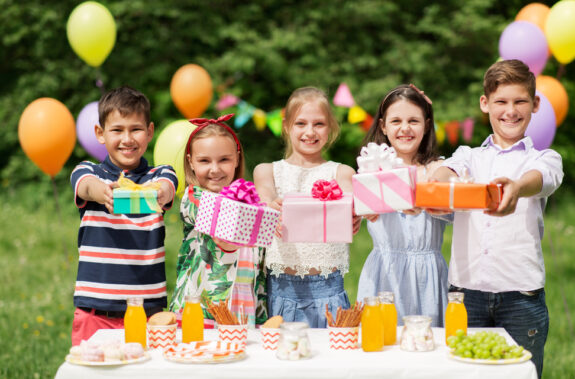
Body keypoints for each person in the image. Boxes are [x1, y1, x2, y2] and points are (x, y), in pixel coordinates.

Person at [431, 59, 563, 378]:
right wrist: (440, 185)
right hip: (465, 295)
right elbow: (444, 171)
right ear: (485, 103)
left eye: (519, 102)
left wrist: (516, 187)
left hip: (521, 297)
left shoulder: (543, 158)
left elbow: (542, 178)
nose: (510, 111)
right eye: (501, 102)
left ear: (535, 105)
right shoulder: (468, 156)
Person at [69, 86, 178, 346]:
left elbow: (167, 187)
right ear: (100, 134)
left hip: (149, 312)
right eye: (117, 130)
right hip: (95, 312)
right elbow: (84, 185)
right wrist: (101, 192)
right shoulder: (90, 171)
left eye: (136, 129)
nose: (127, 139)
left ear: (149, 132)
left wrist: (161, 193)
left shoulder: (159, 174)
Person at [253, 87, 361, 328]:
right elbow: (265, 196)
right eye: (300, 123)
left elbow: (352, 203)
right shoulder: (267, 171)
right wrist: (271, 205)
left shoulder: (342, 173)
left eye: (319, 124)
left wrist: (356, 215)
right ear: (286, 126)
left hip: (329, 291)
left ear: (331, 127)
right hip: (281, 290)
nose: (310, 132)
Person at [356, 84, 450, 327]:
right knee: (383, 343)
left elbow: (452, 204)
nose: (405, 128)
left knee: (426, 344)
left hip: (427, 275)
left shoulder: (437, 170)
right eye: (396, 120)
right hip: (385, 274)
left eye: (414, 120)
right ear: (383, 126)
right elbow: (362, 210)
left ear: (427, 125)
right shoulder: (372, 170)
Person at [169, 114, 267, 328]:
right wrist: (262, 216)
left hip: (244, 314)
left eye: (224, 159)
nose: (215, 169)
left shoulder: (253, 204)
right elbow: (226, 237)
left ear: (237, 159)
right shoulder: (193, 199)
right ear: (191, 162)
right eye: (204, 161)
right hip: (199, 313)